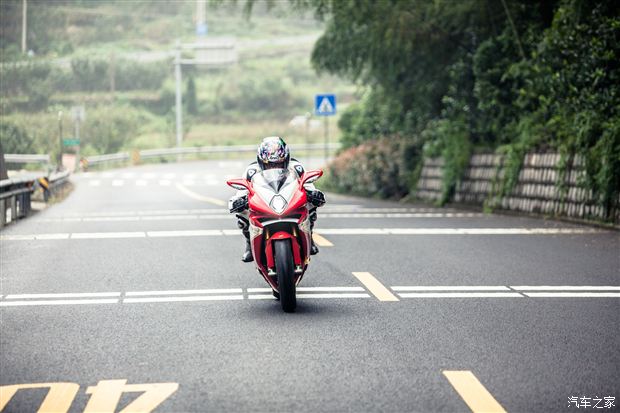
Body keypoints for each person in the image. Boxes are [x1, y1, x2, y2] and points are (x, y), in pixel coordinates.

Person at [229, 136, 326, 262]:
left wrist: (315, 194)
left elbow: (308, 185)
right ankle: (249, 243)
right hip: (264, 201)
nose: (274, 167)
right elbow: (242, 191)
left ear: (286, 159)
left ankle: (309, 235)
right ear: (261, 161)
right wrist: (237, 201)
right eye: (269, 165)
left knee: (311, 206)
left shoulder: (296, 167)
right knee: (242, 215)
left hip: (290, 199)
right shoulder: (251, 171)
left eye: (279, 164)